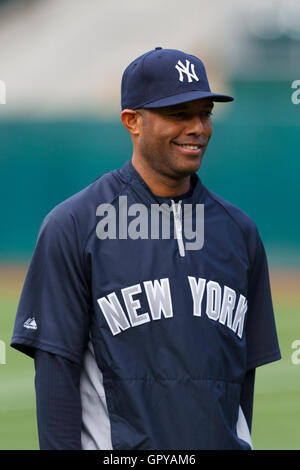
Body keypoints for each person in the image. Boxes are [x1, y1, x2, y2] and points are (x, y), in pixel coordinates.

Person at [11, 47, 281, 450]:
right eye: (178, 114)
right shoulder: (74, 225)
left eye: (204, 113)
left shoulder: (239, 232)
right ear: (132, 121)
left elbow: (240, 381)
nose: (197, 128)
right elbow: (56, 377)